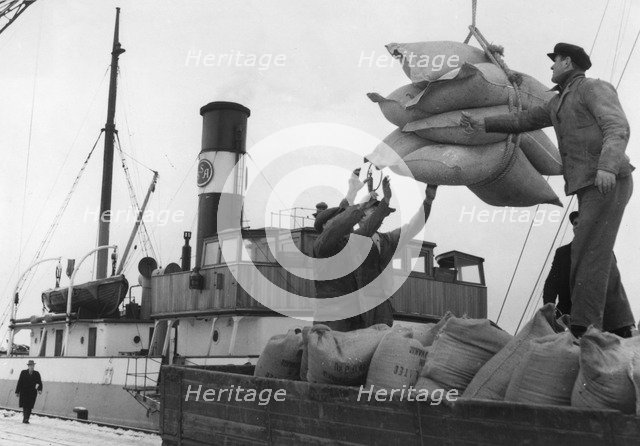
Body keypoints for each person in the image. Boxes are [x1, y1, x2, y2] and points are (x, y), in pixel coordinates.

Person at [460, 42, 635, 338]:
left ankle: (584, 327)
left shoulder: (593, 89)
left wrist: (606, 165)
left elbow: (617, 126)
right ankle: (620, 326)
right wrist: (483, 124)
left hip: (608, 179)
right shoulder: (557, 103)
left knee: (587, 250)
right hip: (588, 183)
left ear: (567, 62)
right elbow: (522, 120)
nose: (551, 67)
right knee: (596, 251)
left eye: (555, 61)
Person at [352, 177, 438, 328]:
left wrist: (428, 201)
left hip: (383, 305)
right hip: (359, 305)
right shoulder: (353, 239)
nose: (382, 215)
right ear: (362, 216)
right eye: (375, 211)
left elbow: (414, 226)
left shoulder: (387, 240)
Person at [543, 211, 635, 337]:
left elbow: (613, 284)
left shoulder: (604, 250)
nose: (576, 226)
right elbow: (551, 284)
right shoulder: (563, 253)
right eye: (575, 223)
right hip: (569, 314)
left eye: (581, 223)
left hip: (602, 313)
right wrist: (549, 310)